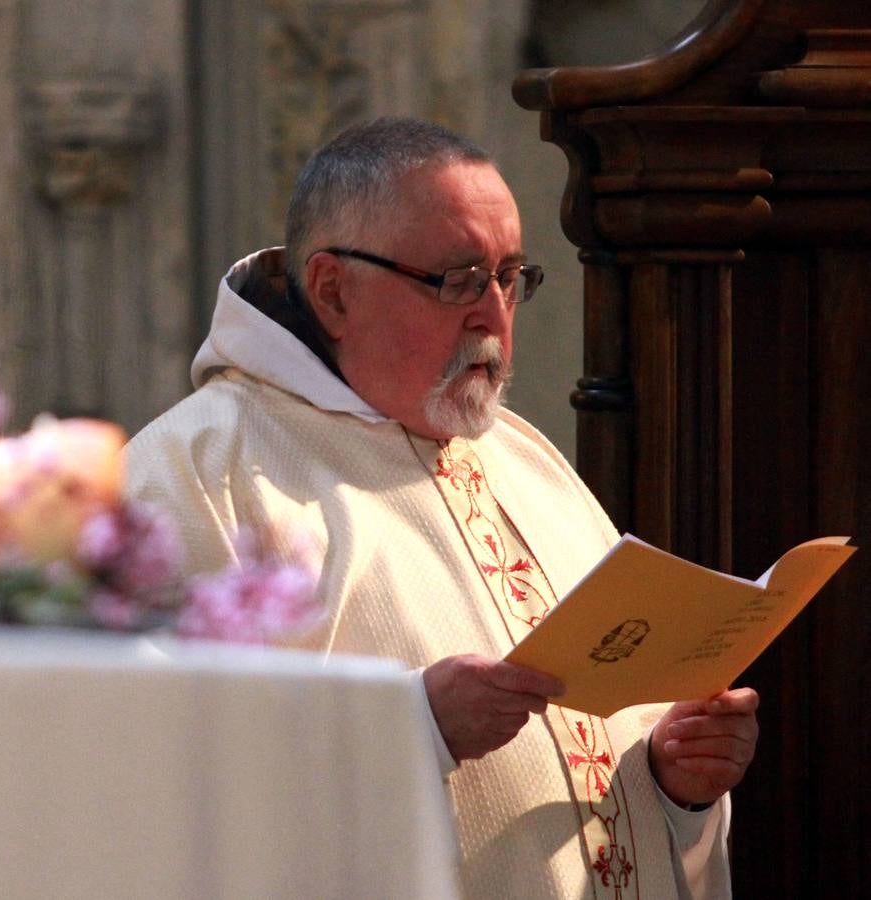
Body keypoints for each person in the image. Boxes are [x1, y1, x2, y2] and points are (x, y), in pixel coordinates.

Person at [124, 117, 758, 898]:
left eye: (510, 276)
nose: (492, 313)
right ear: (332, 290)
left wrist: (675, 785)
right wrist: (414, 728)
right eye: (458, 279)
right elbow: (142, 770)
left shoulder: (524, 460)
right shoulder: (198, 474)